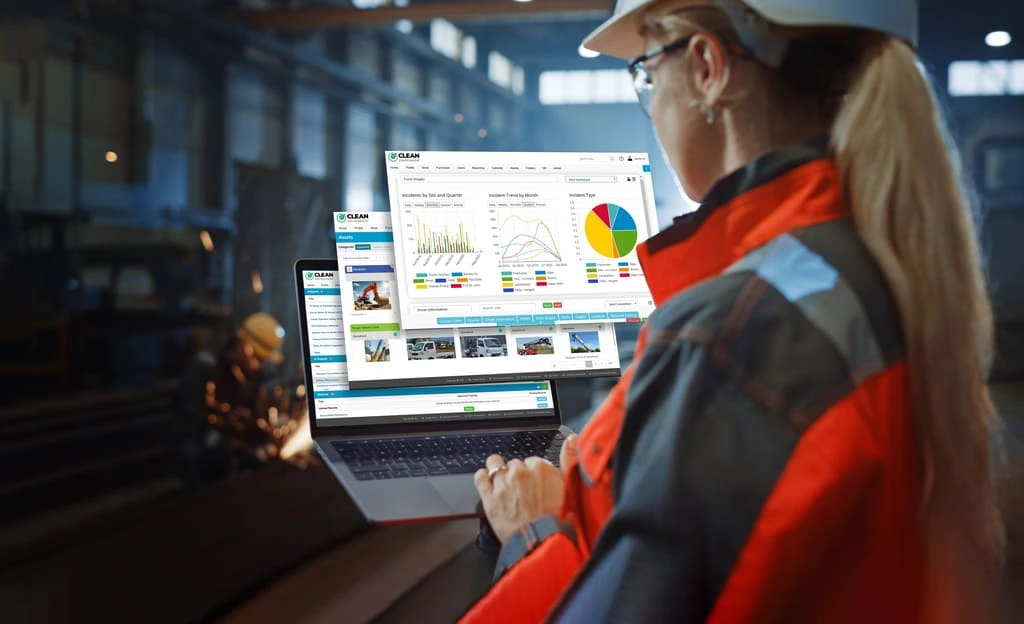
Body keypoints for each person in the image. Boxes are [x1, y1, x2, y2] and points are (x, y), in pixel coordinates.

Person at [460, 1, 1006, 622]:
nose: (650, 99)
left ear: (706, 68)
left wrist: (531, 535)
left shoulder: (733, 338)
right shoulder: (868, 268)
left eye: (645, 72)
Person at [173, 312, 286, 487]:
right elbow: (192, 427)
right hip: (201, 467)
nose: (259, 364)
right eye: (258, 357)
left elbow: (255, 416)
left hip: (234, 467)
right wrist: (230, 445)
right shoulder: (204, 371)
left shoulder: (253, 376)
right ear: (243, 345)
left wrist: (267, 433)